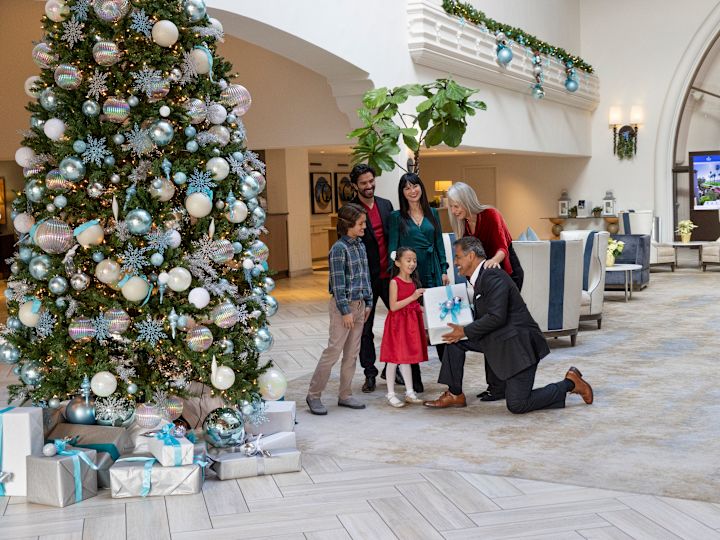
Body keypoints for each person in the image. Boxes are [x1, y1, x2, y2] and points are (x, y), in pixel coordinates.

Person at [423, 236, 594, 413]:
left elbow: (497, 317)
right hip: (498, 339)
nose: (455, 262)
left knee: (517, 404)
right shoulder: (479, 278)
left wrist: (465, 330)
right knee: (454, 341)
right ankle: (455, 393)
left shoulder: (493, 276)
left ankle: (571, 383)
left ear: (471, 256)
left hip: (518, 346)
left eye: (458, 257)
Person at [446, 181, 524, 402]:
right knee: (491, 330)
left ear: (466, 200)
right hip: (487, 279)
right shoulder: (465, 225)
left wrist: (492, 263)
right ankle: (495, 387)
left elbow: (502, 247)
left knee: (495, 329)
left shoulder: (490, 214)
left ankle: (498, 387)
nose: (453, 211)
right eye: (451, 207)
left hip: (507, 273)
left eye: (456, 206)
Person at [306, 204, 373, 415]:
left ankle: (345, 394)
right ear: (348, 225)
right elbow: (338, 284)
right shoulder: (338, 250)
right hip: (343, 308)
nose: (365, 226)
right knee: (334, 351)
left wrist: (369, 302)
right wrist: (345, 311)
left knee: (352, 354)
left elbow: (365, 275)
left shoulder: (360, 246)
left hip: (361, 305)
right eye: (361, 223)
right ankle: (313, 395)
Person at [387, 172, 450, 393]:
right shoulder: (396, 217)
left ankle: (450, 375)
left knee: (440, 324)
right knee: (411, 327)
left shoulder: (433, 213)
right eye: (407, 188)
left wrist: (443, 268)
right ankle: (414, 378)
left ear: (421, 188)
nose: (412, 191)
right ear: (402, 193)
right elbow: (393, 248)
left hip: (432, 271)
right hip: (410, 275)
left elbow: (440, 244)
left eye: (415, 186)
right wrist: (398, 273)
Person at [349, 164, 394, 394]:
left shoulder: (386, 205)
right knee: (365, 328)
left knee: (399, 321)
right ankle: (369, 373)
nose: (369, 186)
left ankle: (392, 367)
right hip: (364, 281)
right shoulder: (350, 210)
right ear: (355, 186)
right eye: (364, 183)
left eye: (371, 181)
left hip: (389, 277)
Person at [379, 246, 427, 407]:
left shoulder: (413, 282)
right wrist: (413, 297)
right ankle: (391, 393)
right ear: (398, 263)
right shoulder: (394, 282)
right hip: (397, 325)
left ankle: (409, 391)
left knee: (406, 359)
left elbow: (413, 305)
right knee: (393, 359)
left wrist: (429, 308)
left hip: (410, 324)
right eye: (408, 260)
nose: (412, 263)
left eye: (414, 260)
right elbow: (393, 306)